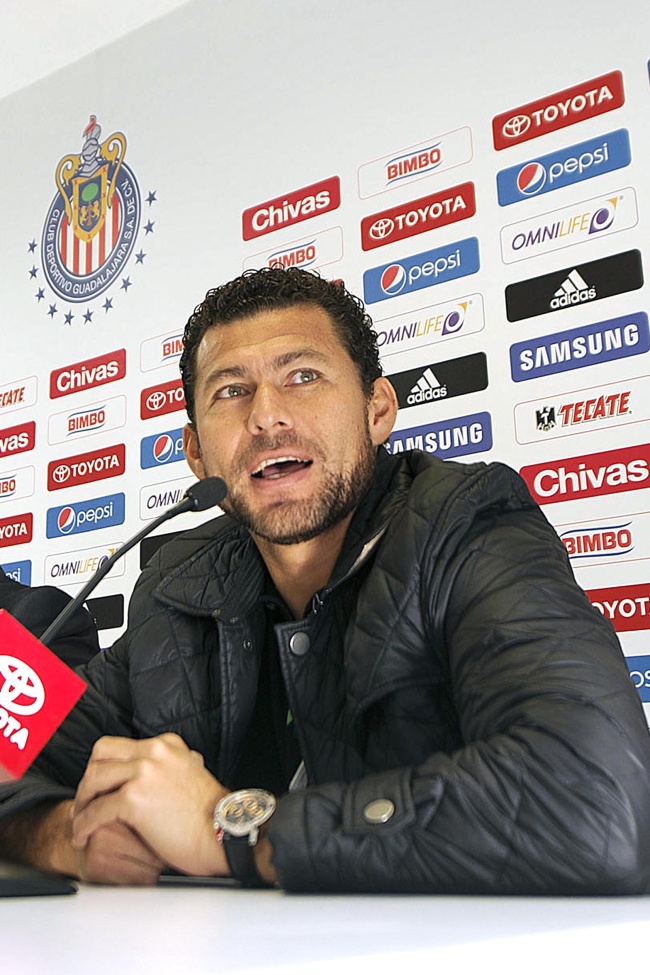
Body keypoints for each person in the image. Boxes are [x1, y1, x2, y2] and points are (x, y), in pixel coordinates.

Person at [0, 266, 649, 893]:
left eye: (303, 376)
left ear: (378, 409)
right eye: (231, 391)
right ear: (196, 453)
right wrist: (56, 835)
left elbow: (599, 802)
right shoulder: (178, 585)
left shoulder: (468, 525)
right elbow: (16, 749)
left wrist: (234, 830)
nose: (266, 416)